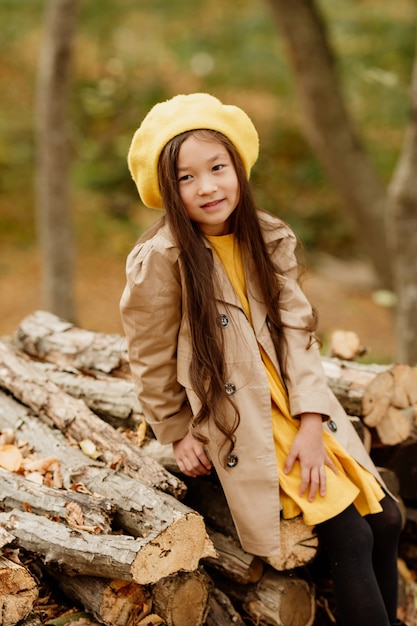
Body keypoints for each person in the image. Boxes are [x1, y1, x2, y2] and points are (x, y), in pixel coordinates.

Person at [120, 93, 404, 626]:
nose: (206, 187)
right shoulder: (160, 260)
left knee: (387, 517)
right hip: (242, 415)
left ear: (238, 169)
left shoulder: (267, 236)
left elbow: (298, 331)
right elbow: (149, 354)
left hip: (297, 400)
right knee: (350, 530)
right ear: (167, 188)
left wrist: (314, 419)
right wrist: (177, 430)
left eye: (217, 168)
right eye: (185, 178)